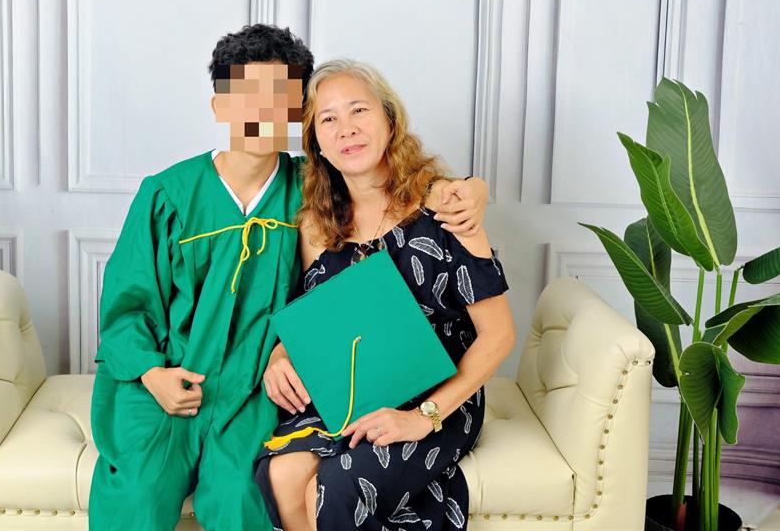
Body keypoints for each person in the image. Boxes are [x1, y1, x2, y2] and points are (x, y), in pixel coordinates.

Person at [89, 26, 491, 530]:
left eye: (278, 98)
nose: (262, 111)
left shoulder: (313, 186)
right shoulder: (168, 194)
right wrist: (152, 374)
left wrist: (471, 189)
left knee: (241, 495)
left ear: (297, 113)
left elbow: (398, 186)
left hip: (254, 386)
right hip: (170, 378)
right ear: (219, 106)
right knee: (139, 491)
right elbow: (127, 305)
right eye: (246, 96)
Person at [256, 59, 516, 531]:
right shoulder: (316, 224)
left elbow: (499, 335)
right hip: (349, 388)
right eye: (328, 119)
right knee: (281, 472)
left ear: (390, 121)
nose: (346, 129)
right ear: (316, 142)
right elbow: (311, 319)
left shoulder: (446, 207)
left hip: (436, 395)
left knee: (337, 486)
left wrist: (422, 417)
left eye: (359, 110)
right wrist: (279, 355)